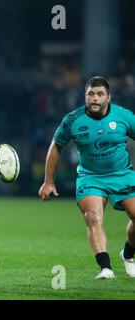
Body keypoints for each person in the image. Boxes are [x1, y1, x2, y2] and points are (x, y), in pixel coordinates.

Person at [38, 76, 135, 279]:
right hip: (90, 177)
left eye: (100, 94)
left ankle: (127, 255)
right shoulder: (73, 120)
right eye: (91, 94)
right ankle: (105, 268)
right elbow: (56, 145)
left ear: (109, 97)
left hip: (122, 175)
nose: (95, 99)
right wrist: (48, 181)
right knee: (92, 217)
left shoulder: (124, 116)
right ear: (85, 96)